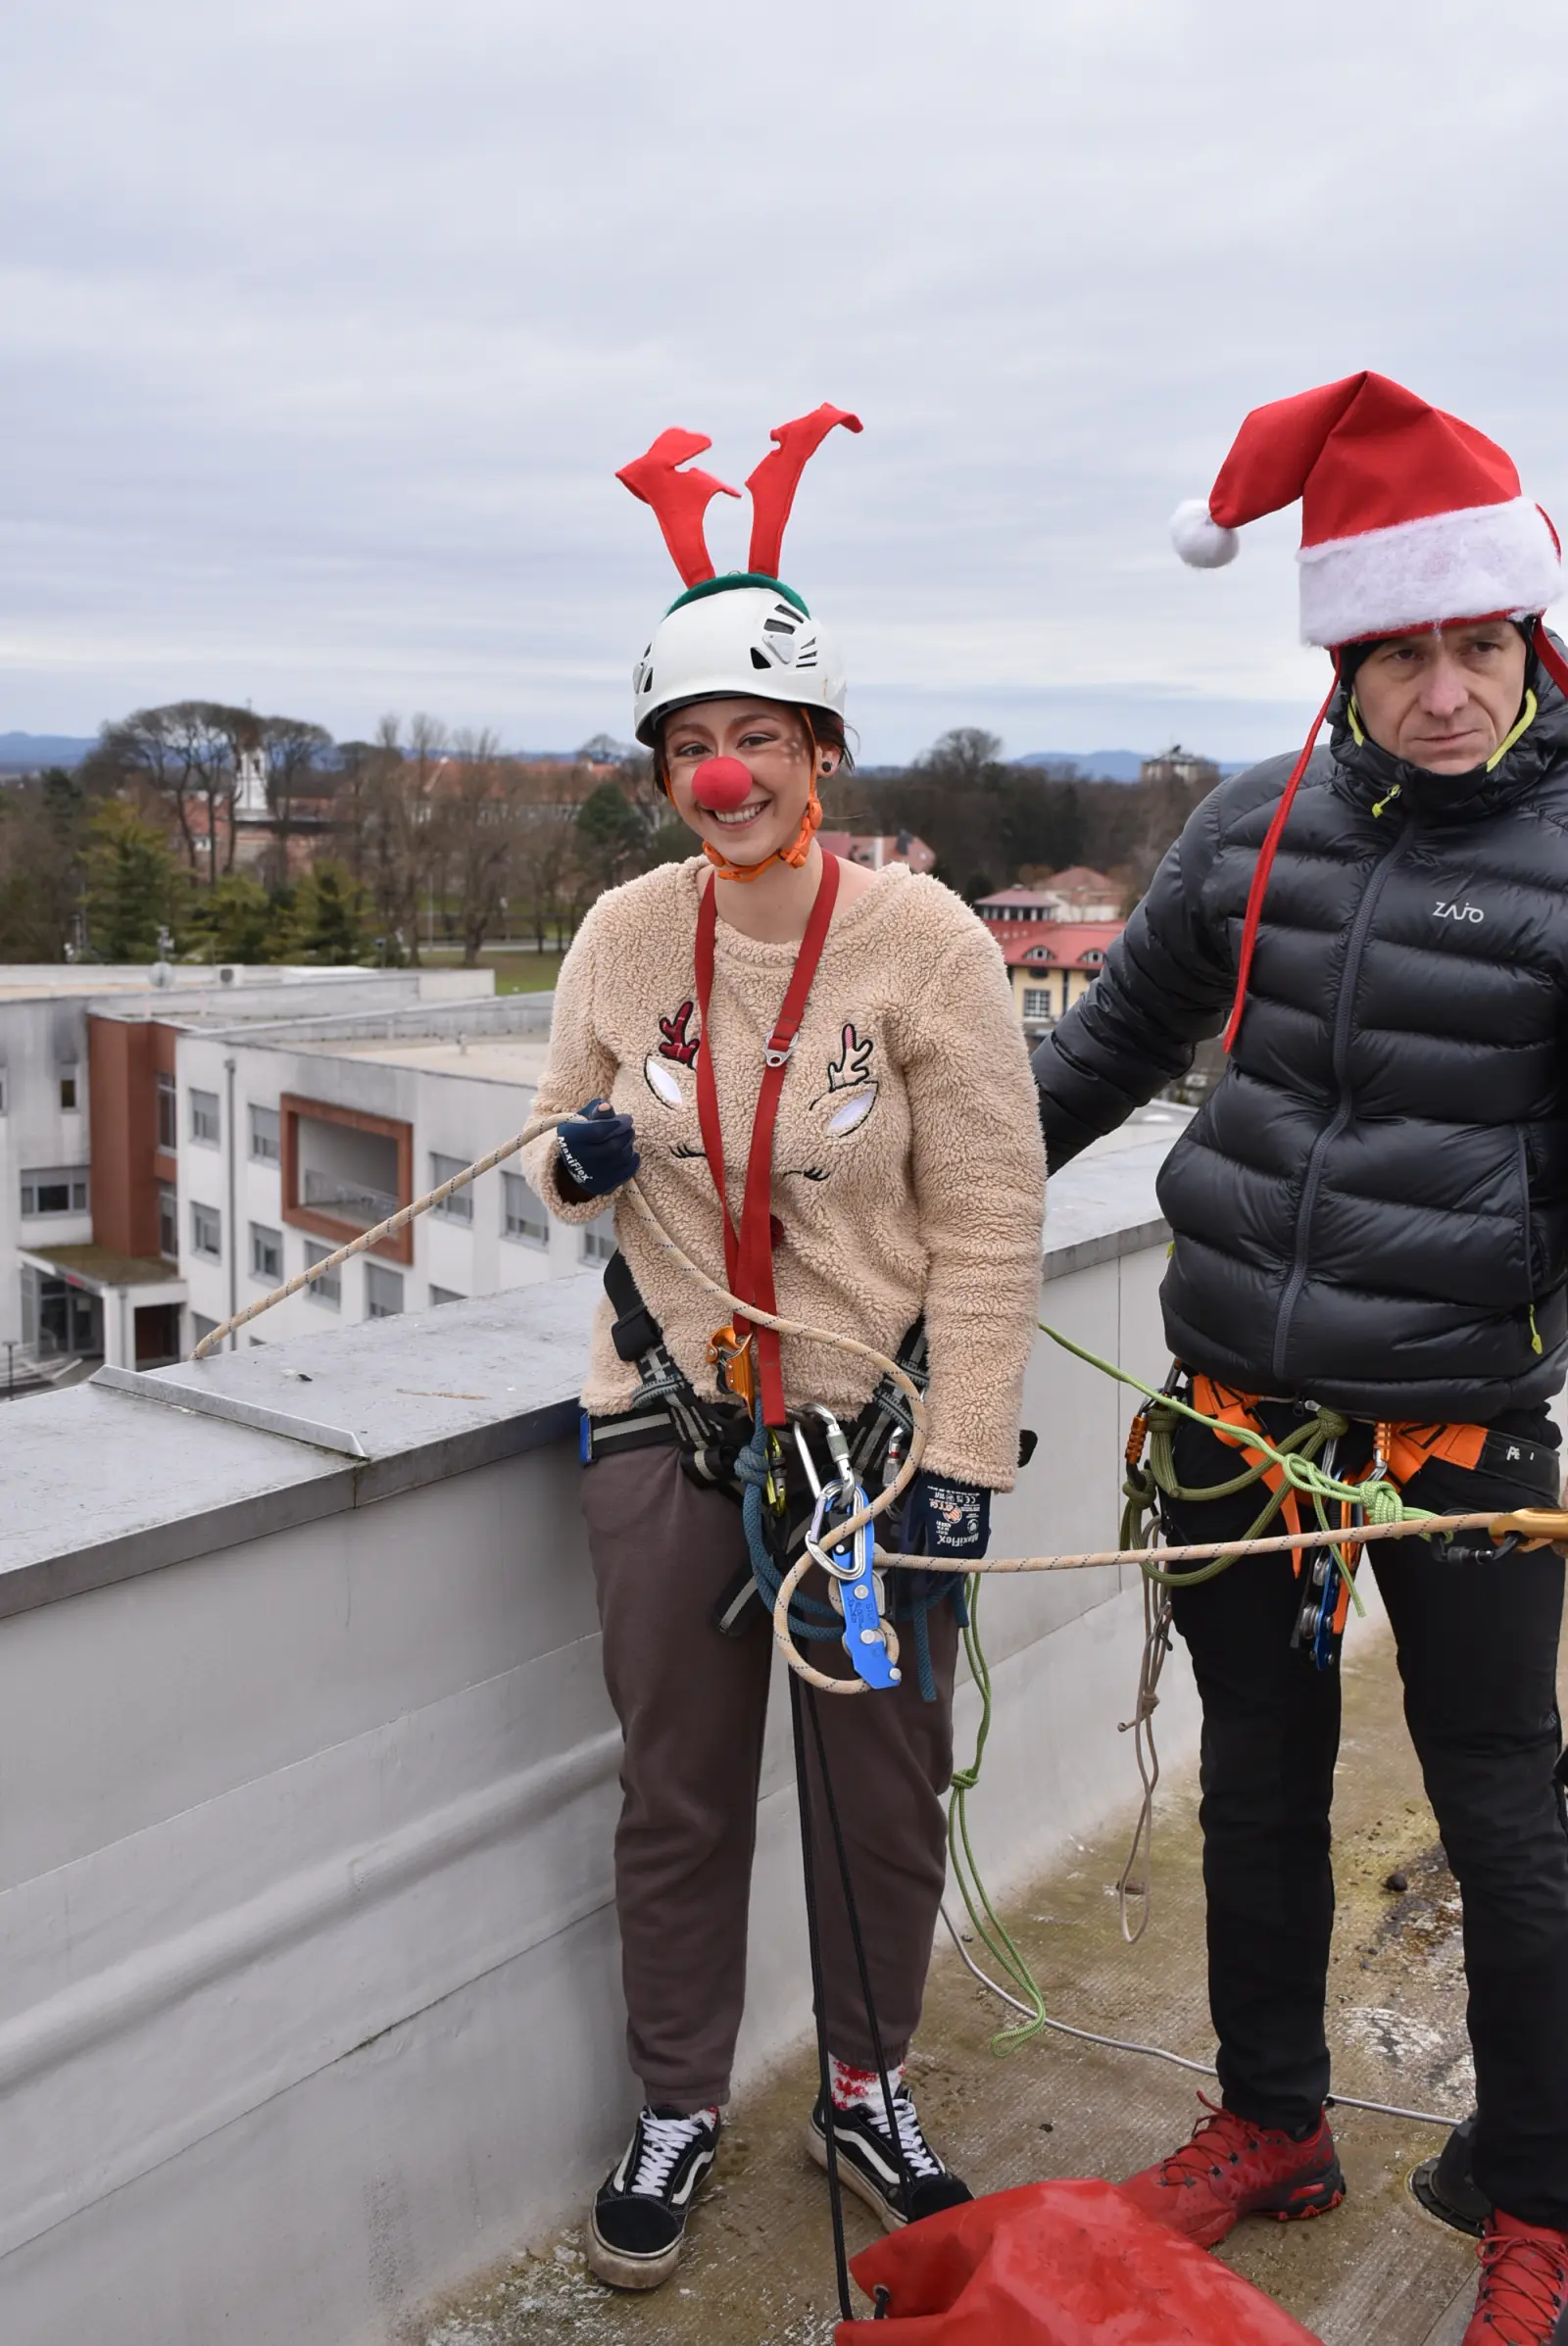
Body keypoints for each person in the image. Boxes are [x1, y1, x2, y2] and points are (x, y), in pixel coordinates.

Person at [1032, 371, 1568, 2346]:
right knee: (1255, 1787)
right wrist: (922, 1210)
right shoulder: (1252, 827)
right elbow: (1089, 1059)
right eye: (1400, 652)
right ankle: (1268, 2121)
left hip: (1457, 1431)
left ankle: (1538, 2204)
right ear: (1339, 660)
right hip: (1232, 1407)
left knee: (1502, 1818)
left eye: (1475, 646)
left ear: (1525, 638)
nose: (1441, 690)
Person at [518, 407, 1047, 2293]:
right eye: (688, 744)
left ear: (823, 751)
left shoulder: (923, 944)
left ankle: (864, 2076)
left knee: (879, 1785)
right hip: (670, 1416)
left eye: (756, 737)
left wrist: (969, 1457)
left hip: (876, 1440)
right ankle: (679, 2101)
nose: (721, 773)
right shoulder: (621, 933)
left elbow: (989, 1208)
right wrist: (588, 1159)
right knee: (679, 1786)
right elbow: (570, 1152)